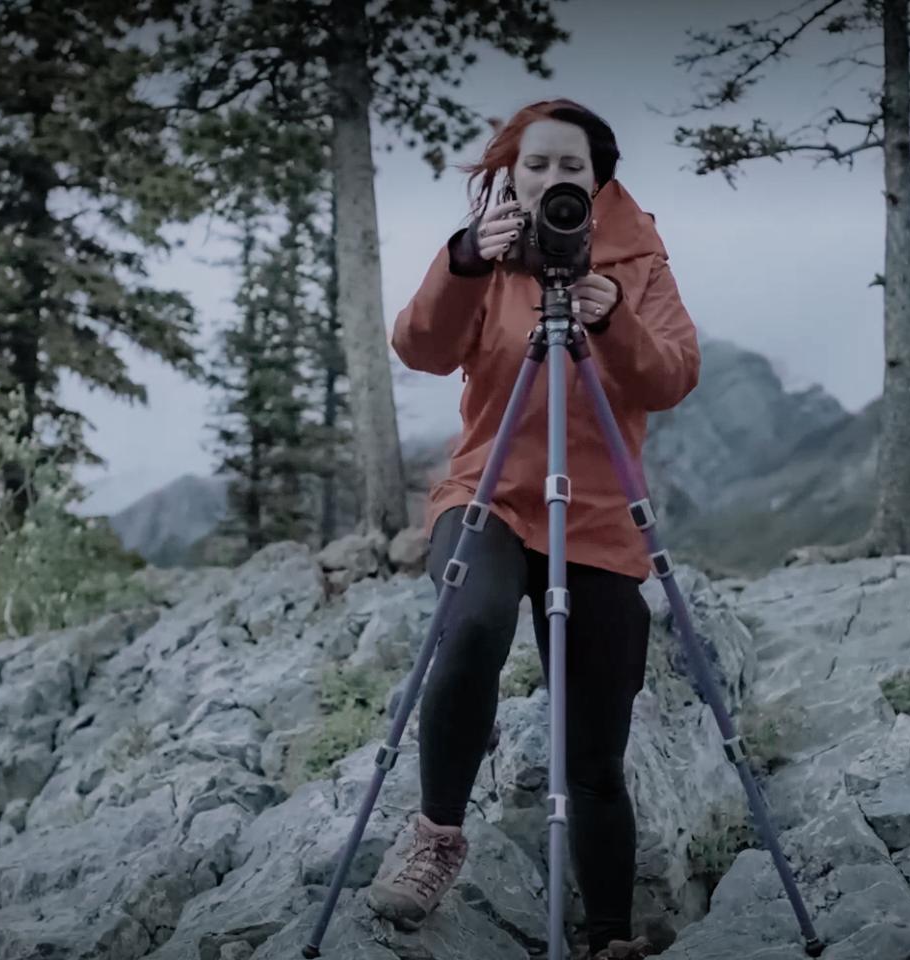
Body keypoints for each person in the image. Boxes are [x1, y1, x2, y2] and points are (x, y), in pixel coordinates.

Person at [366, 98, 701, 960]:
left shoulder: (638, 261)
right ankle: (437, 834)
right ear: (512, 177)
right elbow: (419, 348)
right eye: (540, 165)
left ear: (599, 181)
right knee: (470, 623)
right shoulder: (488, 255)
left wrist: (610, 315)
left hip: (596, 517)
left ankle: (610, 935)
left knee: (594, 744)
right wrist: (466, 260)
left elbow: (670, 377)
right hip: (489, 496)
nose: (557, 179)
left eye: (573, 167)